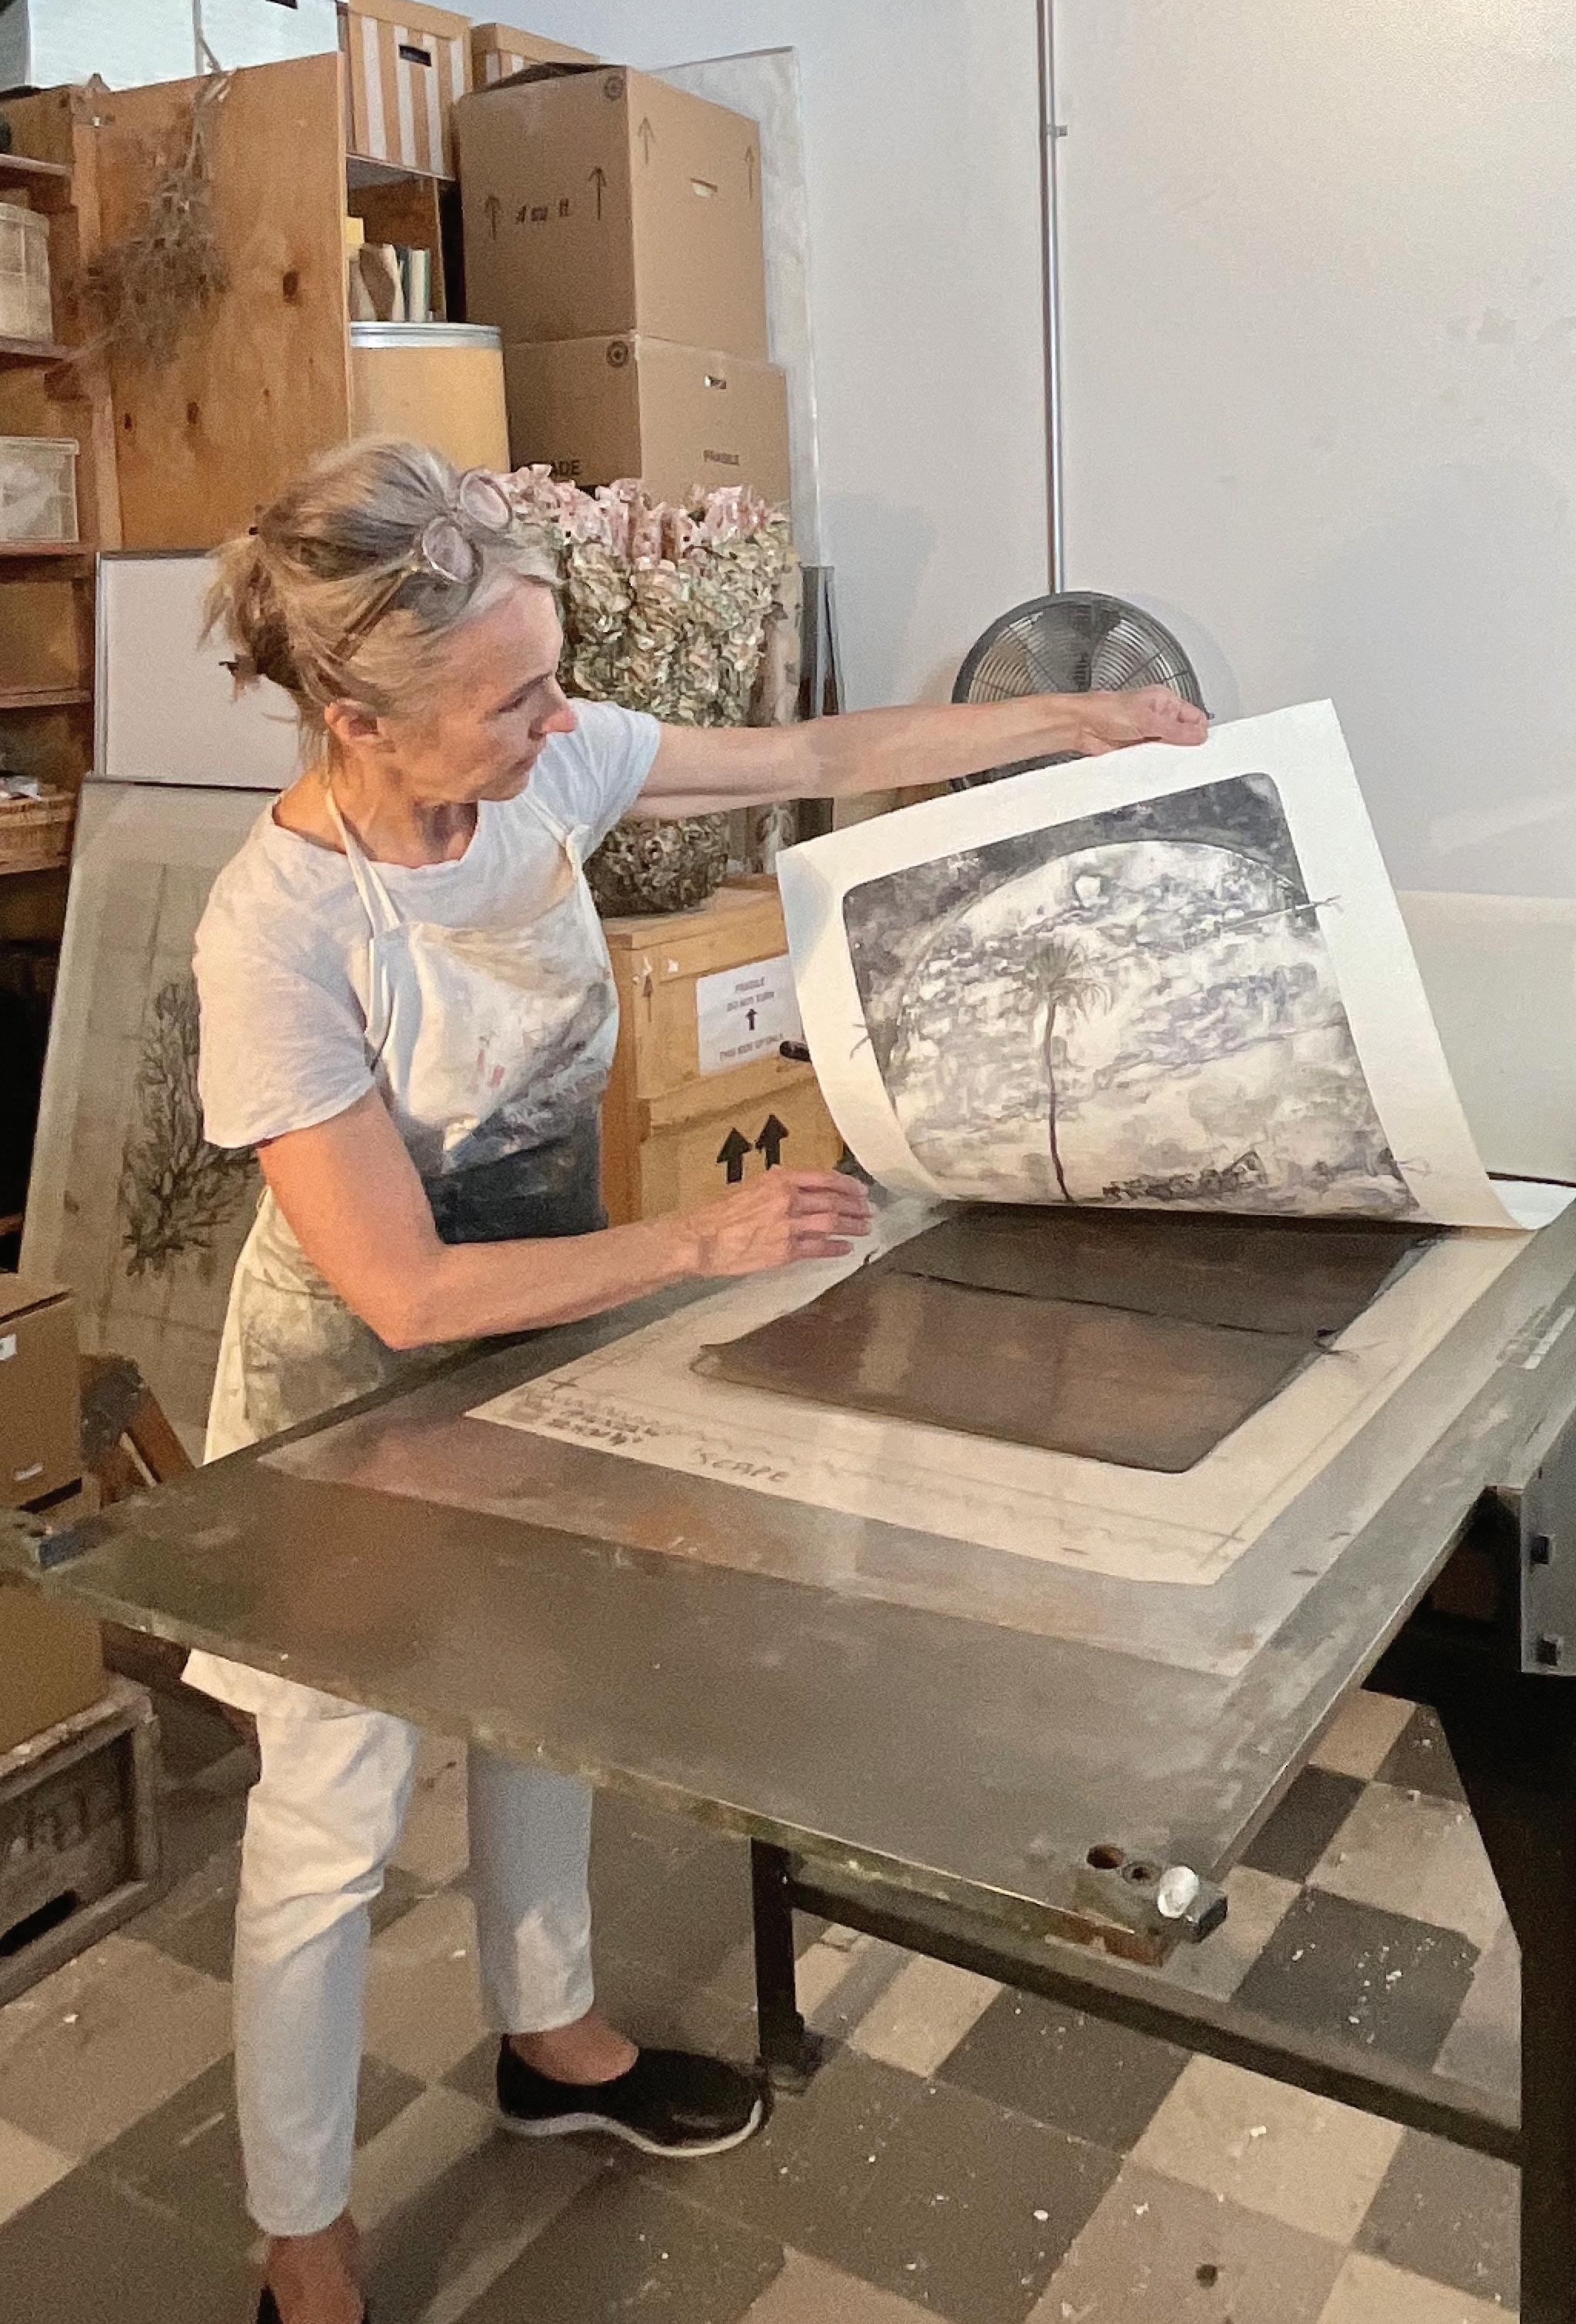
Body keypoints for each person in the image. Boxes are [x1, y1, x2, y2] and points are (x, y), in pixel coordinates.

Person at [184, 438, 1207, 2324]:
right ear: (359, 718)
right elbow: (400, 1283)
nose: (557, 718)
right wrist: (696, 1243)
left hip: (544, 1320)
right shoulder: (280, 929)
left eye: (552, 674)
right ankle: (300, 2229)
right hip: (354, 1381)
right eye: (509, 698)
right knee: (333, 1803)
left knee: (537, 1691)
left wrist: (1077, 720)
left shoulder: (548, 765)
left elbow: (810, 753)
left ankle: (550, 2037)